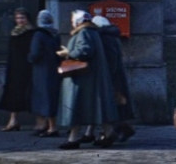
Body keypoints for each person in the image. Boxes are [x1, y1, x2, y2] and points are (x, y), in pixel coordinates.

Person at [56, 10, 117, 149]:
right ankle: (108, 132)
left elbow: (84, 51)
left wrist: (67, 53)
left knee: (76, 107)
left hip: (82, 79)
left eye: (73, 21)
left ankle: (74, 139)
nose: (72, 23)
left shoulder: (84, 33)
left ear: (78, 22)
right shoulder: (93, 32)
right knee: (92, 108)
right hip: (90, 78)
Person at [92, 15, 136, 145]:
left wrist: (108, 76)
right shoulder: (112, 36)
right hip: (116, 76)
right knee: (115, 106)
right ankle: (121, 129)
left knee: (111, 105)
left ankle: (116, 131)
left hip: (112, 77)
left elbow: (111, 60)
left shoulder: (105, 38)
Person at [0, 8, 33, 131]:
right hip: (14, 67)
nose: (20, 20)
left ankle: (42, 122)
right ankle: (13, 120)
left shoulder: (30, 32)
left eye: (22, 18)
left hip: (26, 67)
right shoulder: (14, 32)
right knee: (13, 93)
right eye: (18, 18)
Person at [28, 9, 62, 136]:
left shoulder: (38, 35)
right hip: (54, 69)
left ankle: (50, 127)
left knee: (43, 98)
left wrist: (29, 58)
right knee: (51, 98)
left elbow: (35, 54)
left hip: (41, 71)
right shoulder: (55, 34)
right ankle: (48, 125)